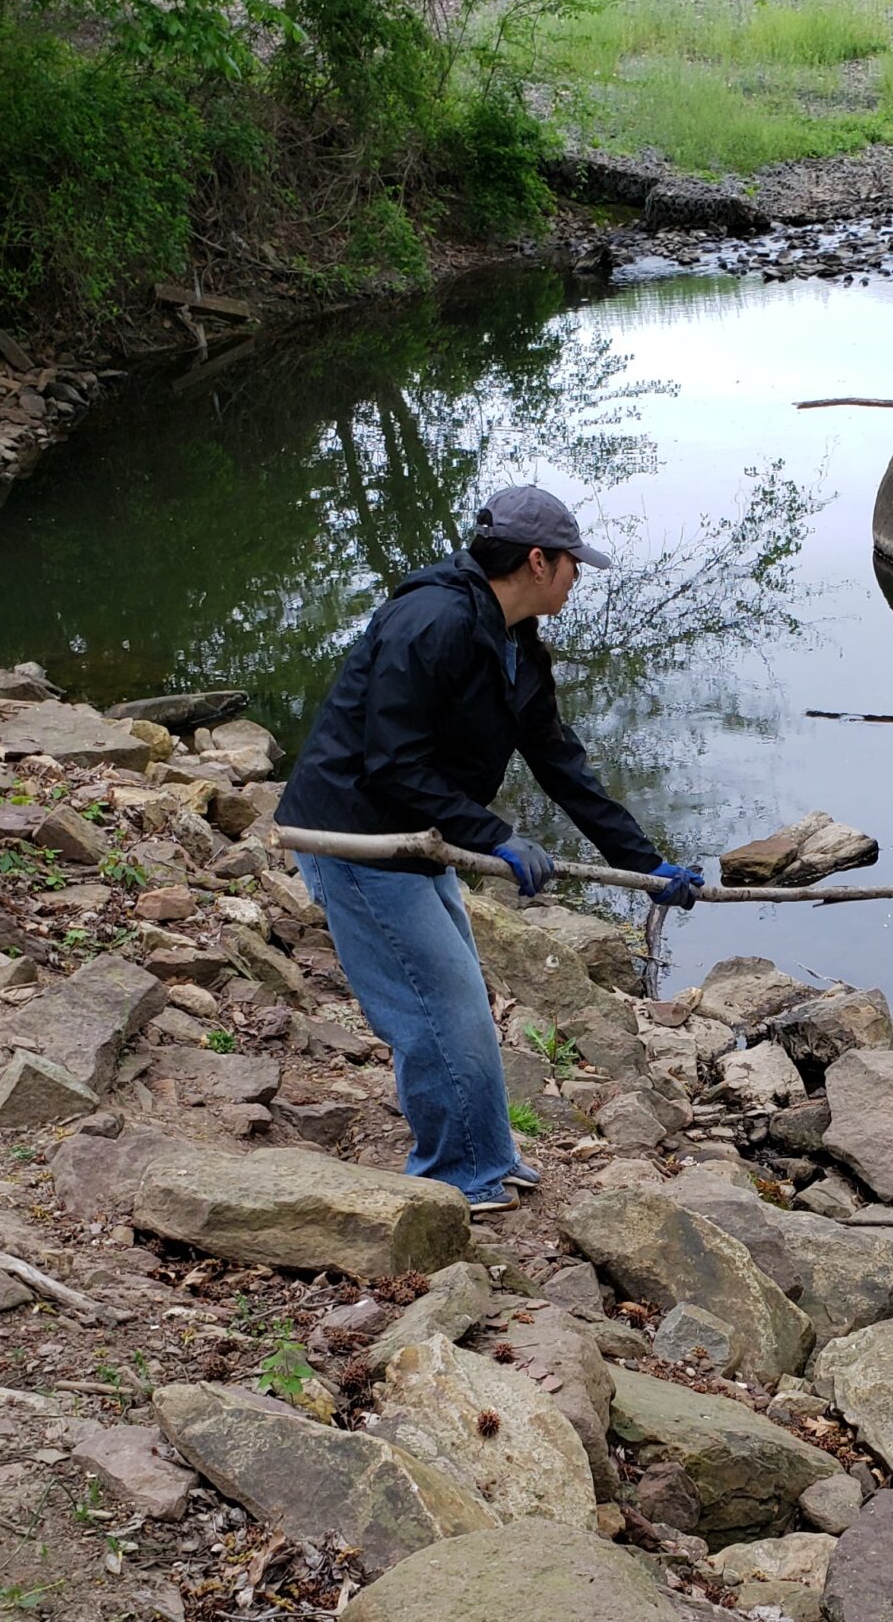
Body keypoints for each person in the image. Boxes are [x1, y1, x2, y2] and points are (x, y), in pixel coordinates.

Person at [277, 486, 702, 1211]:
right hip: (355, 840)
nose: (579, 577)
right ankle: (453, 1178)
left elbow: (559, 761)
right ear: (538, 561)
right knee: (436, 1011)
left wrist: (641, 862)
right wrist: (495, 836)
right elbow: (392, 762)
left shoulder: (515, 645)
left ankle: (487, 1157)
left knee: (462, 999)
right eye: (574, 564)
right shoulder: (431, 621)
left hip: (417, 839)